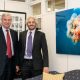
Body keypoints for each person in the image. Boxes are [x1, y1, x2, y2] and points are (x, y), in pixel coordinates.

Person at [0, 13, 19, 80]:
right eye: (5, 20)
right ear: (1, 20)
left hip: (12, 62)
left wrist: (17, 64)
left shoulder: (14, 33)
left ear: (11, 21)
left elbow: (16, 49)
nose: (7, 22)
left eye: (9, 20)